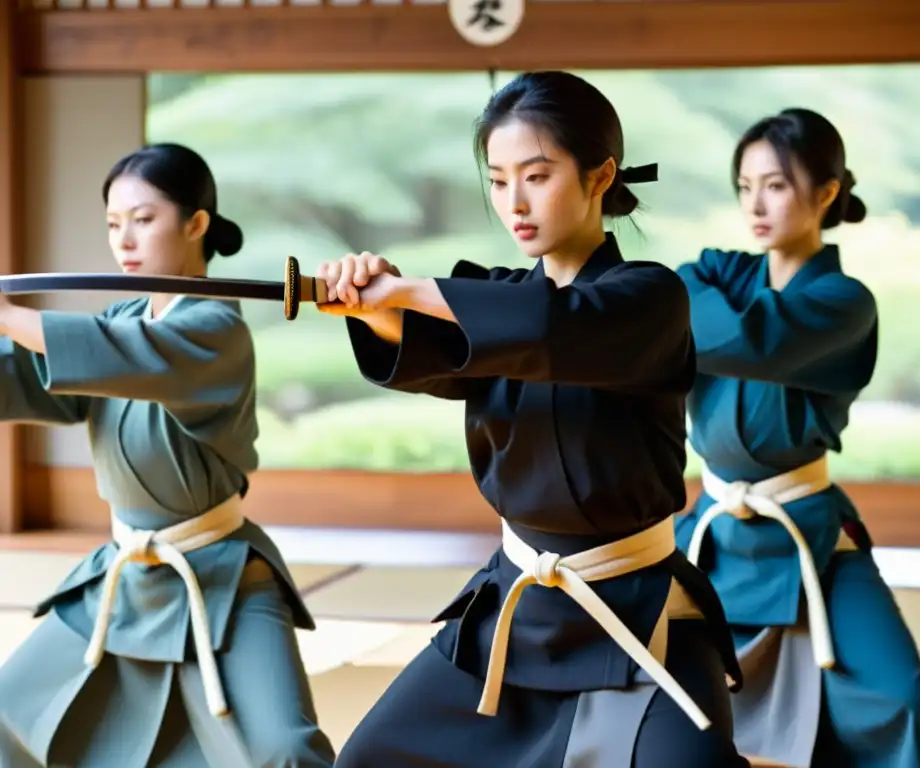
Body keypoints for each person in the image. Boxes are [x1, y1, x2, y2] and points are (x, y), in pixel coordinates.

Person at [312, 70, 751, 767]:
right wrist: (378, 312)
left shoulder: (650, 297)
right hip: (515, 607)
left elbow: (550, 332)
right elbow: (447, 352)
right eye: (497, 180)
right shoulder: (498, 301)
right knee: (368, 758)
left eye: (537, 176)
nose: (513, 202)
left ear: (600, 174)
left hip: (634, 609)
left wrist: (409, 292)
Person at [674, 108, 920, 768]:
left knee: (897, 698)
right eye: (744, 185)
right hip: (713, 535)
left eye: (776, 185)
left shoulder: (845, 301)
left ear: (825, 193)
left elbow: (746, 339)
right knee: (628, 681)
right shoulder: (725, 275)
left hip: (808, 532)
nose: (754, 204)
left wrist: (697, 315)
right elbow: (678, 287)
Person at [0, 143, 336, 767]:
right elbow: (33, 370)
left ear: (196, 224)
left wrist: (7, 315)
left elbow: (116, 352)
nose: (124, 239)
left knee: (283, 752)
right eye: (112, 223)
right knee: (9, 715)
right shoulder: (124, 316)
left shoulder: (216, 327)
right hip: (126, 575)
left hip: (222, 577)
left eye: (143, 218)